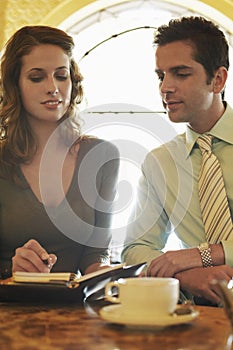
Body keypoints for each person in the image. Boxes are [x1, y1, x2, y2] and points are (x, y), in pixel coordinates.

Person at [122, 16, 233, 306]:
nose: (165, 88)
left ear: (218, 79)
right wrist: (185, 275)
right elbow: (136, 248)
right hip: (200, 318)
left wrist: (201, 255)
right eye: (161, 76)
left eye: (180, 74)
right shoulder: (160, 162)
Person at [0, 25, 119, 280]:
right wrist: (13, 270)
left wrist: (114, 275)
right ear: (15, 85)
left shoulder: (102, 156)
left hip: (74, 310)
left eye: (61, 76)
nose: (53, 87)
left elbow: (95, 254)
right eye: (36, 77)